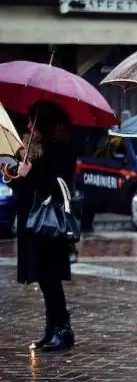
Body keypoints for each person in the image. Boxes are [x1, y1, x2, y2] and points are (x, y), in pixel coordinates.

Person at [1, 101, 78, 352]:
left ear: (44, 122)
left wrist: (29, 174)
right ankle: (51, 328)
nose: (29, 124)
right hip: (31, 222)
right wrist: (13, 174)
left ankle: (63, 330)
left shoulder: (61, 148)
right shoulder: (32, 149)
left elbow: (58, 185)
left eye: (33, 120)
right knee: (43, 279)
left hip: (49, 223)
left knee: (51, 277)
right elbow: (25, 186)